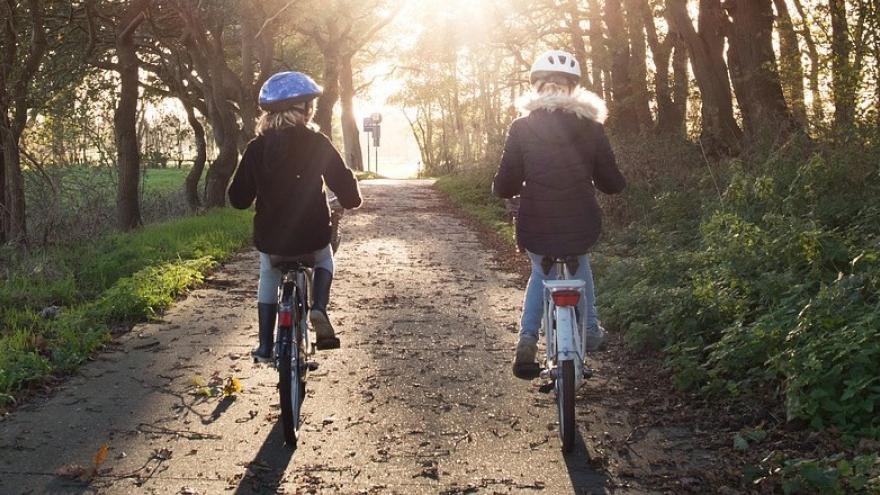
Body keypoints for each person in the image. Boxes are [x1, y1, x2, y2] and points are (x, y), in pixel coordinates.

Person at [492, 50, 626, 379]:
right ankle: (590, 329)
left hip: (535, 221)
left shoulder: (521, 127)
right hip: (581, 219)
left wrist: (504, 190)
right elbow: (612, 183)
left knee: (541, 271)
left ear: (537, 88)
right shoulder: (592, 127)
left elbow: (505, 182)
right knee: (580, 261)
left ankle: (527, 340)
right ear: (573, 89)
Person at [229, 71, 362, 361]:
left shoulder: (255, 148)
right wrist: (350, 194)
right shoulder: (318, 143)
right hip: (312, 237)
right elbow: (349, 195)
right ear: (304, 109)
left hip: (272, 241)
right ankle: (319, 308)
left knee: (268, 271)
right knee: (325, 258)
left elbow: (237, 199)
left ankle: (265, 345)